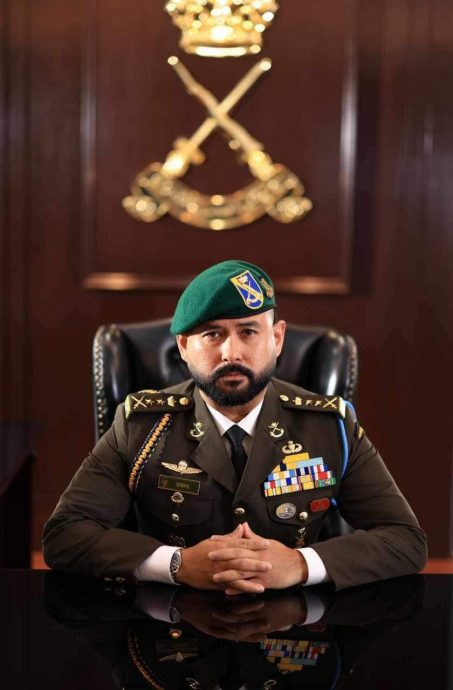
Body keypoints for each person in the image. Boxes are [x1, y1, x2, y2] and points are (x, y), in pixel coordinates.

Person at [42, 260, 427, 593]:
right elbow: (64, 535)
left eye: (248, 331)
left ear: (277, 338)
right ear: (183, 346)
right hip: (170, 624)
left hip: (295, 631)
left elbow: (405, 540)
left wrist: (300, 564)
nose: (232, 352)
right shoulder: (141, 425)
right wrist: (176, 564)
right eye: (213, 334)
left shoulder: (330, 426)